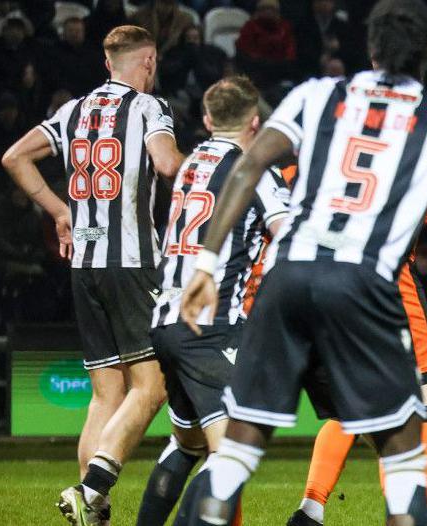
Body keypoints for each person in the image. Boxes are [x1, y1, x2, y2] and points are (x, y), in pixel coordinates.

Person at [172, 1, 427, 525]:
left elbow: (248, 166)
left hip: (287, 276)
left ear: (370, 47)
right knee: (401, 444)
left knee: (238, 448)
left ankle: (248, 508)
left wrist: (204, 263)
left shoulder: (315, 94)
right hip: (365, 283)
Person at [0, 25, 184, 525]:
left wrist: (60, 211)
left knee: (107, 393)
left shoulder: (73, 110)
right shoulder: (150, 108)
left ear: (109, 64)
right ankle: (90, 489)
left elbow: (14, 157)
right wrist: (209, 166)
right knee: (153, 386)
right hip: (132, 264)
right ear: (148, 63)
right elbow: (167, 164)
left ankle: (94, 515)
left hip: (84, 264)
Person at [135, 75, 289, 526]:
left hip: (166, 319)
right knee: (232, 454)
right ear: (256, 122)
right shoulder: (253, 169)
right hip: (211, 327)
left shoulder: (191, 164)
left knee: (187, 446)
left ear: (206, 119)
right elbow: (285, 232)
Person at [288, 207, 427, 526]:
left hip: (331, 285)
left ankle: (310, 509)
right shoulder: (405, 159)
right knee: (426, 397)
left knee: (350, 406)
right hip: (390, 285)